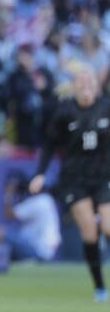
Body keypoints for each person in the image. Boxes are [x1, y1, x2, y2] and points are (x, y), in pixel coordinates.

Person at [30, 69, 110, 303]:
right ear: (74, 86)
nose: (85, 85)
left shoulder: (106, 107)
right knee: (89, 231)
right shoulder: (65, 112)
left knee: (108, 226)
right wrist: (40, 174)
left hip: (103, 176)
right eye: (81, 81)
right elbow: (49, 146)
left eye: (90, 81)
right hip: (74, 180)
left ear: (96, 86)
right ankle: (99, 287)